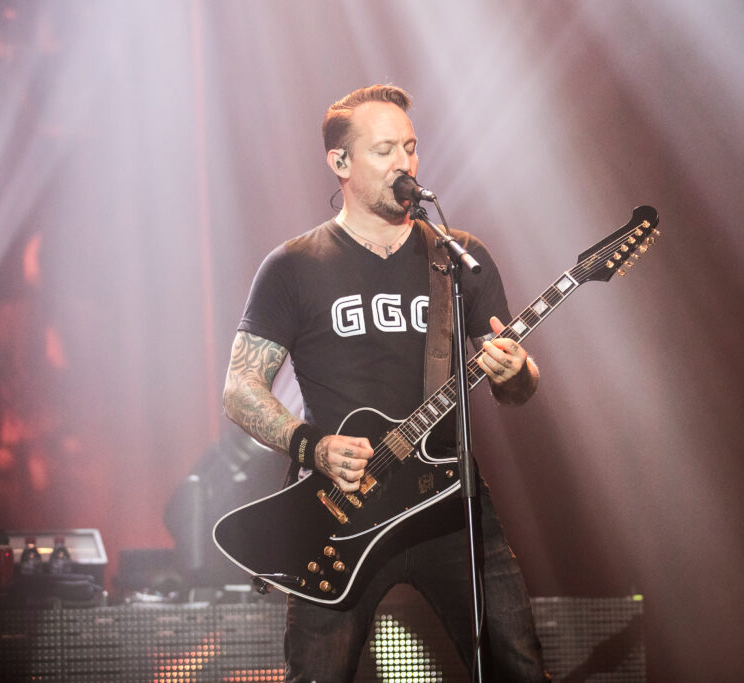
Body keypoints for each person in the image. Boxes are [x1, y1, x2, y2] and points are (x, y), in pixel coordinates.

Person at [222, 84, 549, 682]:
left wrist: (516, 371)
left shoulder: (457, 257)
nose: (404, 164)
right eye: (384, 151)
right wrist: (312, 447)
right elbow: (240, 389)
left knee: (518, 667)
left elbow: (515, 389)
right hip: (341, 517)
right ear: (340, 162)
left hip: (449, 501)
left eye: (411, 147)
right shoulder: (295, 266)